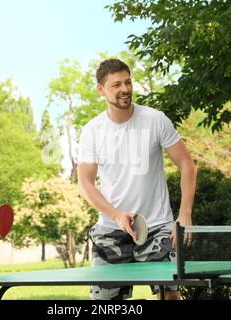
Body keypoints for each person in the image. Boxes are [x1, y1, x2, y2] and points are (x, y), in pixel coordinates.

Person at [77, 59, 197, 300]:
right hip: (111, 228)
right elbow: (86, 184)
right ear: (101, 90)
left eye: (128, 82)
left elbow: (187, 165)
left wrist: (184, 215)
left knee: (169, 296)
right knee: (104, 303)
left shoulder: (155, 120)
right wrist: (117, 216)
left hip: (157, 226)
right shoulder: (92, 130)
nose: (125, 89)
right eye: (116, 85)